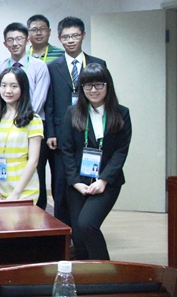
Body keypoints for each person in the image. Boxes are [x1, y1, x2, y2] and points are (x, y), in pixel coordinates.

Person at [61, 63, 131, 260]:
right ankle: (87, 273)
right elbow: (66, 150)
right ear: (82, 88)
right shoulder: (72, 112)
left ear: (108, 86)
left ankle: (106, 270)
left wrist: (103, 180)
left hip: (107, 182)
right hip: (78, 182)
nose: (93, 90)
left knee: (87, 224)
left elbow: (121, 151)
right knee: (78, 235)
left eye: (99, 85)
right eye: (88, 85)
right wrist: (75, 182)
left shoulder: (122, 113)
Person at [45, 16, 106, 225]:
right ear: (59, 38)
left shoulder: (98, 64)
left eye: (75, 35)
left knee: (87, 177)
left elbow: (106, 98)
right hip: (62, 134)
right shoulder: (52, 67)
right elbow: (49, 102)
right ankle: (64, 229)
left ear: (83, 36)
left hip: (91, 131)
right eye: (66, 37)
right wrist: (51, 132)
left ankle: (85, 225)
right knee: (61, 183)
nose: (70, 40)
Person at [0, 67, 43, 201]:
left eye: (14, 86)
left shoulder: (33, 120)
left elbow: (33, 161)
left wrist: (16, 194)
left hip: (24, 191)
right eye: (3, 85)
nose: (8, 91)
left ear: (23, 88)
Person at [27, 14, 65, 210]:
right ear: (28, 34)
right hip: (34, 123)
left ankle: (61, 217)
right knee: (37, 172)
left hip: (57, 122)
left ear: (49, 32)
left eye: (42, 29)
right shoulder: (24, 58)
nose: (39, 33)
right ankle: (39, 212)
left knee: (60, 175)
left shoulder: (60, 55)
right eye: (34, 29)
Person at [0, 22, 50, 121]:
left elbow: (39, 98)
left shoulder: (39, 66)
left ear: (27, 41)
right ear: (5, 44)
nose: (15, 44)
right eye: (10, 40)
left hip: (33, 120)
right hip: (8, 120)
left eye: (19, 39)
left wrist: (25, 118)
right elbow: (1, 95)